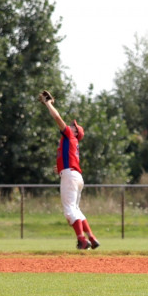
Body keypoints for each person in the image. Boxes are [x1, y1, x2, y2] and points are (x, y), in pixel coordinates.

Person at [39, 90, 99, 250]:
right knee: (76, 209)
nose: (70, 125)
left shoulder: (69, 136)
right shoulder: (70, 142)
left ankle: (82, 240)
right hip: (76, 176)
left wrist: (48, 104)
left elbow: (57, 118)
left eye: (73, 126)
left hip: (70, 176)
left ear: (75, 132)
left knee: (69, 211)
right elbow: (67, 161)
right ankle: (91, 238)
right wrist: (58, 168)